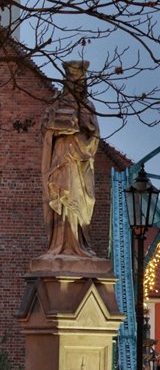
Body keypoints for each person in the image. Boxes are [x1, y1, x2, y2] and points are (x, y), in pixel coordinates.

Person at [40, 60, 100, 256]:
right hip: (62, 158)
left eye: (79, 81)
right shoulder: (56, 102)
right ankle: (61, 245)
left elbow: (94, 137)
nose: (76, 85)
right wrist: (54, 128)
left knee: (80, 201)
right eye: (72, 80)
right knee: (62, 197)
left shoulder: (87, 105)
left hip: (79, 161)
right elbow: (46, 130)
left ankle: (78, 244)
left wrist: (80, 130)